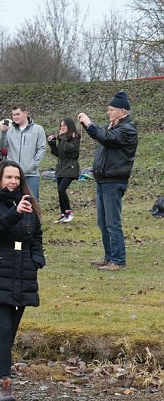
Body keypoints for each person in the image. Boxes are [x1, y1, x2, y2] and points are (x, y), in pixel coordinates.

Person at [0, 160, 45, 401]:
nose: (13, 182)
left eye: (17, 178)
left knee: (10, 331)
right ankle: (5, 383)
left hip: (22, 271)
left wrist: (37, 258)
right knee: (4, 329)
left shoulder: (30, 203)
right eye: (8, 177)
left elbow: (36, 234)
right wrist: (15, 213)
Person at [78, 91, 138, 271]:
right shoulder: (113, 126)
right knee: (103, 222)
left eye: (111, 110)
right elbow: (104, 135)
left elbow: (106, 138)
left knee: (113, 222)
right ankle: (109, 257)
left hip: (114, 181)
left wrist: (89, 125)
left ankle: (118, 261)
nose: (108, 112)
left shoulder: (128, 130)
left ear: (122, 111)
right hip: (103, 180)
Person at [0, 104, 46, 200]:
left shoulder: (38, 129)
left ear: (25, 113)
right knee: (13, 201)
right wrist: (2, 132)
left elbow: (41, 148)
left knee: (32, 202)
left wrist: (33, 164)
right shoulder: (9, 130)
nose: (15, 117)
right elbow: (1, 146)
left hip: (31, 174)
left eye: (17, 114)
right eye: (13, 115)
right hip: (13, 174)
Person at [47, 117, 81, 223]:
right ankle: (63, 214)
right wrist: (52, 144)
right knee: (59, 191)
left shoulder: (75, 138)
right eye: (61, 126)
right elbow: (59, 154)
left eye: (64, 126)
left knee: (62, 189)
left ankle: (68, 213)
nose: (62, 128)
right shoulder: (62, 139)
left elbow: (68, 149)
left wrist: (62, 138)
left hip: (71, 167)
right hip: (61, 168)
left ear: (70, 126)